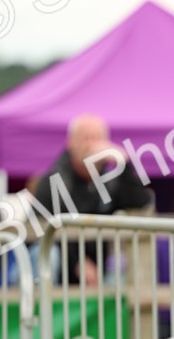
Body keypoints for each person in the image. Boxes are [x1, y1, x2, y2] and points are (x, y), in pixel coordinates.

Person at [32, 114, 153, 284]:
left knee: (122, 262)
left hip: (101, 270)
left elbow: (139, 203)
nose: (90, 145)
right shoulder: (52, 181)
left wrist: (124, 163)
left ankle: (124, 310)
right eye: (84, 138)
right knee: (47, 255)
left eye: (96, 139)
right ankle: (42, 309)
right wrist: (77, 262)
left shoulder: (111, 181)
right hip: (61, 275)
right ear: (70, 143)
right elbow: (40, 229)